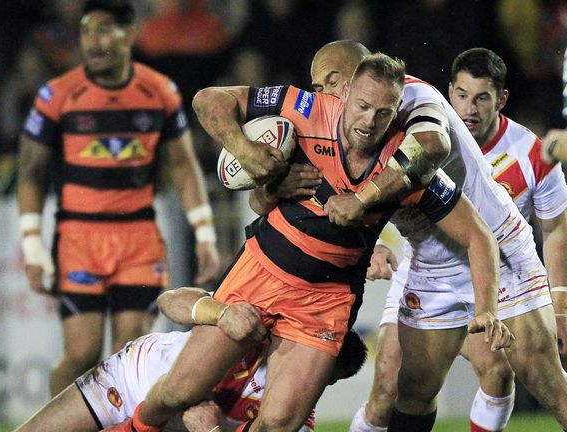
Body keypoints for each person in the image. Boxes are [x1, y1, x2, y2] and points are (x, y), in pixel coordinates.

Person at [115, 53, 510, 432]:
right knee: (181, 390)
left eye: (384, 113)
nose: (370, 121)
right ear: (344, 94)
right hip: (260, 272)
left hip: (326, 300)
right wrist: (245, 151)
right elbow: (208, 99)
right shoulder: (303, 109)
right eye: (362, 105)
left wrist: (488, 308)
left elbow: (478, 236)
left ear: (396, 112)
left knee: (280, 423)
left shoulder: (407, 162)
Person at [301, 42, 567, 432]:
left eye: (324, 83)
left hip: (498, 249)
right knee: (411, 389)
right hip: (431, 265)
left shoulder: (414, 96)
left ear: (349, 80)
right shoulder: (346, 126)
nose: (317, 95)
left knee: (540, 378)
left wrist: (362, 201)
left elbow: (430, 147)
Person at [15, 0, 220, 397]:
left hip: (138, 239)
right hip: (78, 238)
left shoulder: (159, 91)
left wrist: (205, 233)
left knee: (129, 354)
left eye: (105, 29)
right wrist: (32, 244)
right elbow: (30, 171)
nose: (93, 40)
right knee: (82, 353)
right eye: (87, 30)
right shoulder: (58, 94)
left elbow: (182, 163)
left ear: (130, 33)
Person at [14, 287, 367, 432]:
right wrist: (219, 313)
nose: (311, 374)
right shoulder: (260, 320)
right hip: (124, 379)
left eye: (322, 376)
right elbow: (170, 301)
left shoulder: (293, 417)